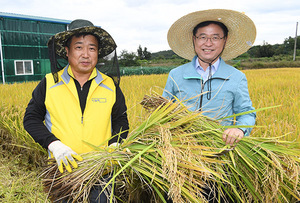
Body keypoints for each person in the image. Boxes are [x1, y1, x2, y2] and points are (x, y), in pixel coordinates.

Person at [23, 19, 129, 203]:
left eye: (92, 48)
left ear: (98, 53)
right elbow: (31, 119)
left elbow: (121, 120)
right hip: (62, 171)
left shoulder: (110, 85)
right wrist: (54, 145)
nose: (86, 55)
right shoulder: (49, 84)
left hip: (101, 171)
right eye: (79, 47)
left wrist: (115, 144)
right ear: (67, 51)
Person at [162, 9, 257, 202]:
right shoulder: (176, 75)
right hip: (181, 159)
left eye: (215, 37)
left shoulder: (236, 77)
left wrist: (240, 129)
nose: (208, 43)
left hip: (220, 158)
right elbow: (162, 112)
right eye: (203, 37)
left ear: (225, 40)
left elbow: (247, 114)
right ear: (194, 39)